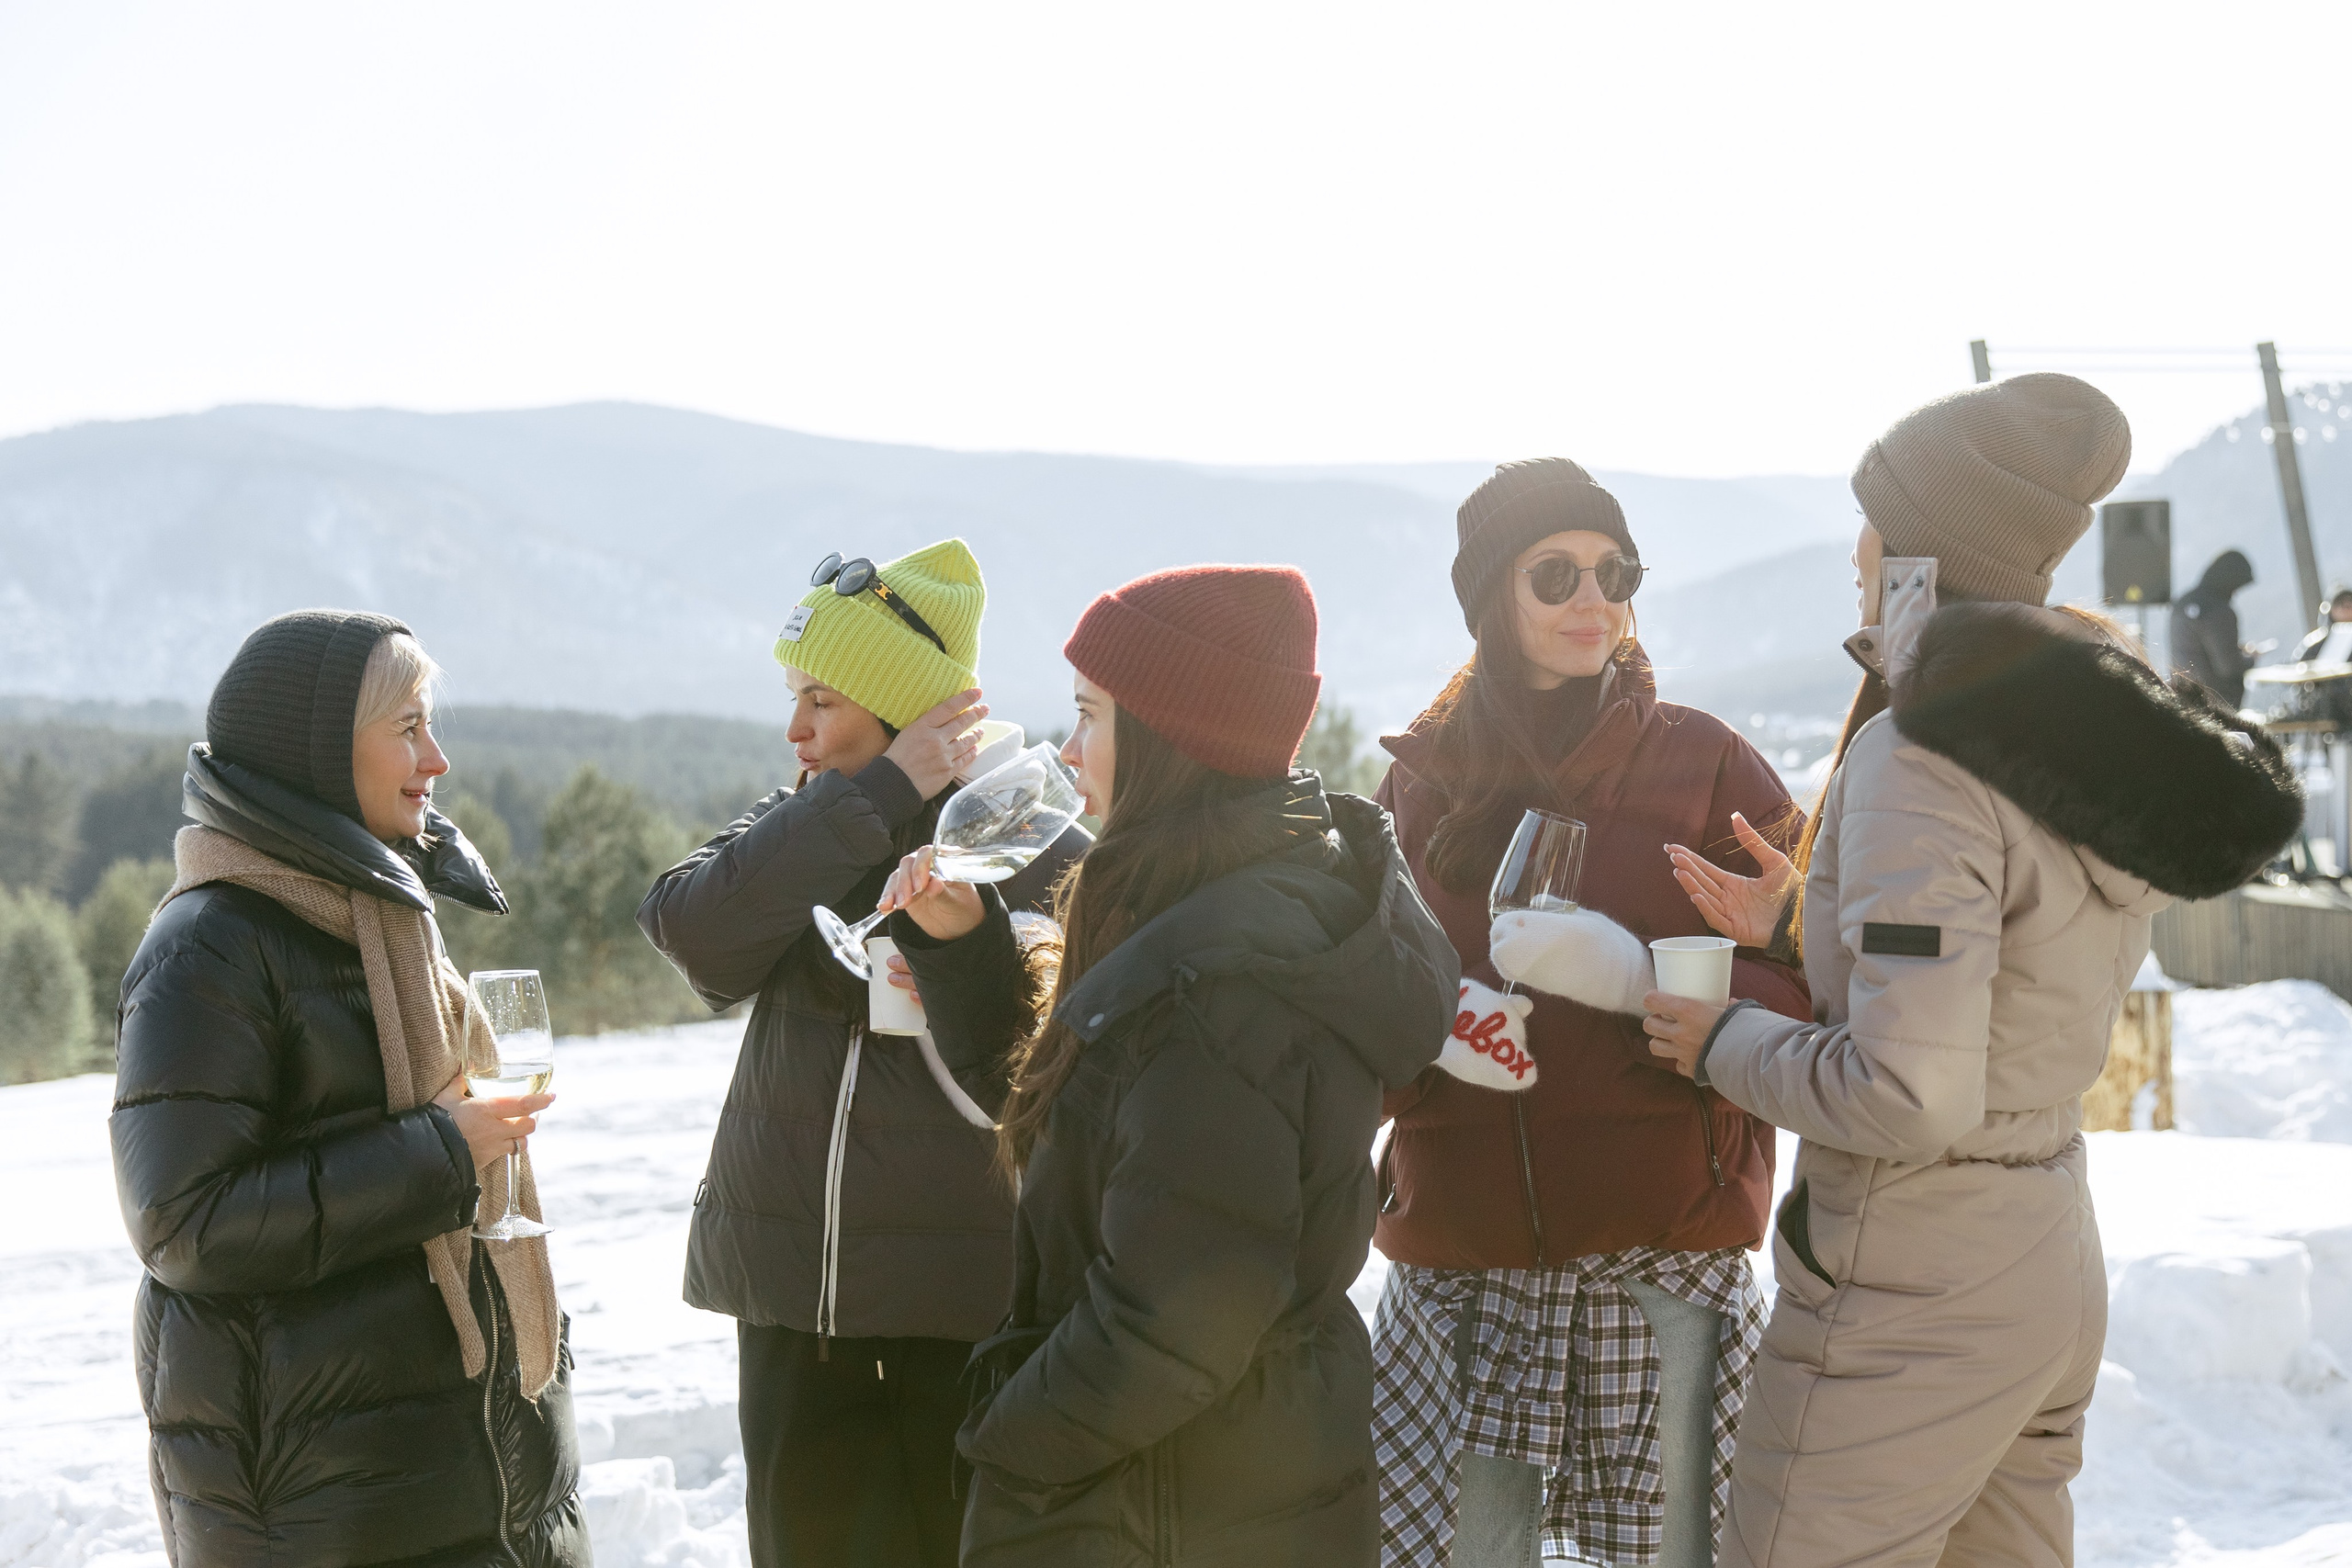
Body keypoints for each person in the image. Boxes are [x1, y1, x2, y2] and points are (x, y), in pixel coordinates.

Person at [1640, 375, 2303, 1568]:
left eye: (1874, 517)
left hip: (1913, 1284)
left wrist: (1717, 1036)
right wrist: (1807, 920)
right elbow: (2013, 955)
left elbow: (1909, 1092)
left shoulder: (1920, 752)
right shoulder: (2083, 738)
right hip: (2040, 1250)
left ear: (1919, 552)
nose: (1854, 551)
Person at [875, 563, 1457, 1566]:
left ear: (1172, 740)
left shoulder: (1222, 983)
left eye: (1090, 718)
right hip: (1200, 1483)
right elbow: (1072, 1129)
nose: (1066, 751)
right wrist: (966, 952)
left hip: (1167, 1505)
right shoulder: (1194, 903)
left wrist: (1003, 1443)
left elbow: (1176, 1321)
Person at [1366, 459, 1813, 1568]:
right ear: (1488, 600)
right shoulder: (1420, 786)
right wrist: (1435, 1035)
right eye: (1553, 573)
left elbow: (1815, 979)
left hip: (1662, 1278)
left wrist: (1652, 995)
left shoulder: (1707, 765)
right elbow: (1354, 1009)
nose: (1592, 600)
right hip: (1463, 1285)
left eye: (1615, 571)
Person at [637, 539, 1087, 1568]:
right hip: (798, 1307)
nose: (795, 731)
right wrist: (873, 796)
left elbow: (1054, 1081)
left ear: (906, 708)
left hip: (966, 1311)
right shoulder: (810, 822)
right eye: (795, 698)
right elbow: (692, 933)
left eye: (823, 702)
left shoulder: (1036, 843)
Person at [111, 610, 585, 1568]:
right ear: (321, 753)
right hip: (325, 1508)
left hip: (457, 1478)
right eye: (408, 727)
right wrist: (442, 1152)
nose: (437, 759)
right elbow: (184, 1222)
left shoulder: (378, 916)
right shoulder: (214, 943)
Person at [2173, 547, 2257, 707]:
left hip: (2183, 700)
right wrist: (2250, 658)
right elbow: (2228, 667)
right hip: (2216, 708)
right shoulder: (2218, 611)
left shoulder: (2182, 603)